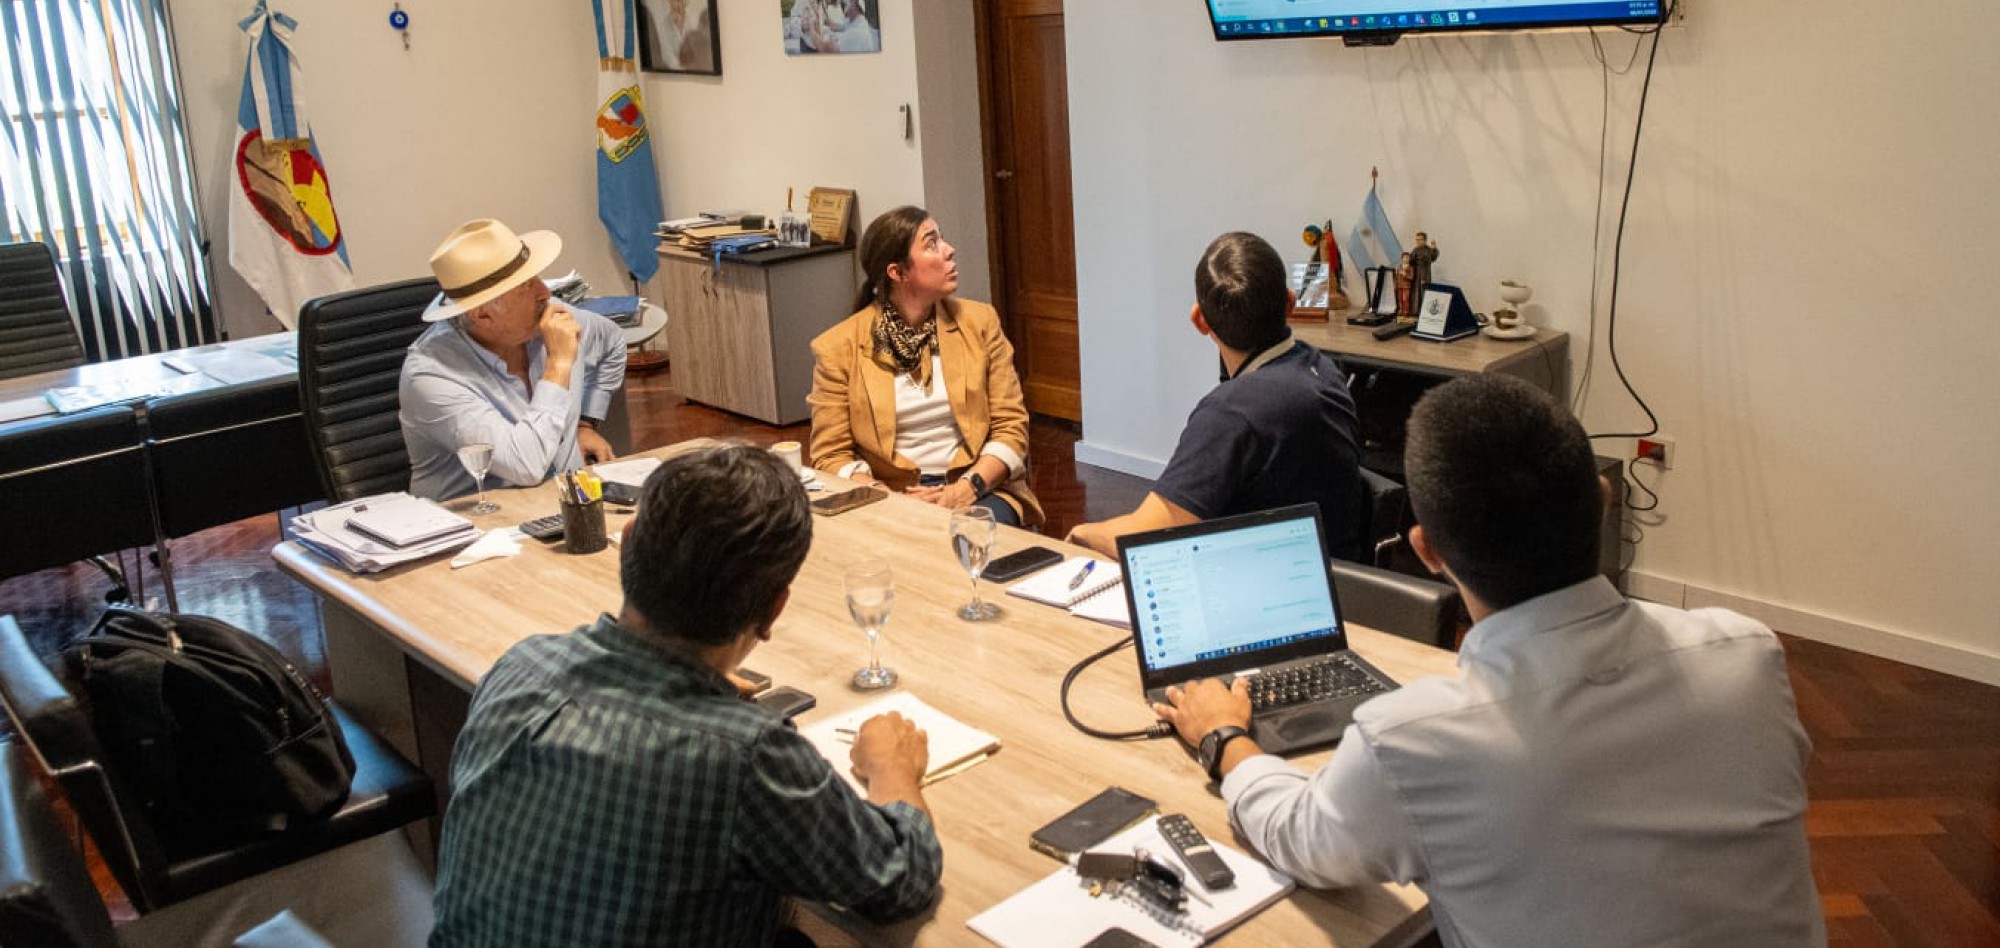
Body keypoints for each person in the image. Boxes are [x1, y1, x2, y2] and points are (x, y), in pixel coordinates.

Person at [1152, 375, 1825, 948]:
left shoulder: (1413, 742)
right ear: (1601, 498)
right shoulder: (1748, 658)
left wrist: (1225, 737)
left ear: (1427, 551)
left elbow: (1302, 839)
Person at [430, 444, 943, 947]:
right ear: (774, 609)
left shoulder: (522, 667)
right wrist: (891, 766)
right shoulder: (746, 756)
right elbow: (899, 881)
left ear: (626, 546)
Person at [1067, 231, 1360, 558]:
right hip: (1334, 570)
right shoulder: (1323, 368)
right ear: (1290, 303)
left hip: (1266, 581)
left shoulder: (1232, 414)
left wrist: (1083, 532)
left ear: (1200, 321)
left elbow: (1145, 538)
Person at [808, 205, 1042, 528]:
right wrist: (885, 498)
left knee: (973, 536)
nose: (949, 250)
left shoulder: (980, 323)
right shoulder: (839, 347)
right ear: (897, 272)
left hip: (979, 488)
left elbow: (1012, 426)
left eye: (942, 239)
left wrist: (964, 490)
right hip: (889, 496)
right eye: (931, 244)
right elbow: (830, 455)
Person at [398, 218, 625, 501]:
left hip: (565, 506)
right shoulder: (431, 377)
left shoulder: (551, 318)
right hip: (478, 526)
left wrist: (584, 424)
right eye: (527, 286)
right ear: (482, 314)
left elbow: (613, 341)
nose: (545, 292)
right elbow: (526, 467)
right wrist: (558, 366)